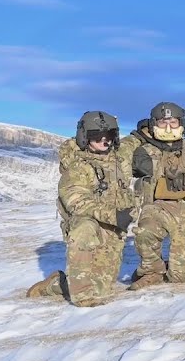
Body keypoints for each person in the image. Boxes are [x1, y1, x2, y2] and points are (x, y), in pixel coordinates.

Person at [26, 110, 138, 306]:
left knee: (102, 287)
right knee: (84, 227)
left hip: (112, 228)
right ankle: (81, 298)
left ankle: (58, 283)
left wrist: (146, 130)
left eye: (109, 136)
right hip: (88, 224)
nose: (104, 141)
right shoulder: (77, 167)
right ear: (85, 137)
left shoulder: (119, 158)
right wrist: (114, 215)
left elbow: (134, 142)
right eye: (97, 137)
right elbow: (77, 201)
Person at [127, 102, 185, 290]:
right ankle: (152, 272)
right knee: (145, 232)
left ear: (181, 123)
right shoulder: (142, 151)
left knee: (183, 277)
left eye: (173, 122)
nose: (167, 128)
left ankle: (173, 266)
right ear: (152, 124)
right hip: (157, 208)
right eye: (162, 122)